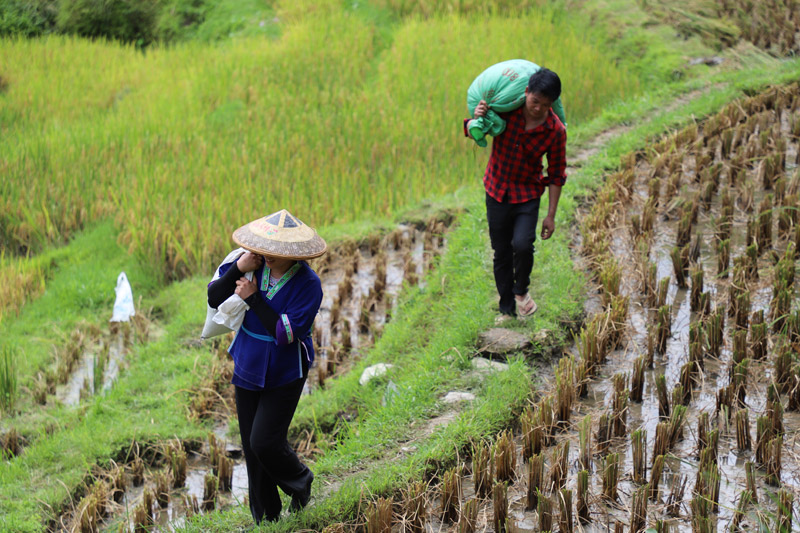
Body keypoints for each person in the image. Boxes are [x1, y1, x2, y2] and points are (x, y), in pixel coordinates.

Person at [207, 209, 326, 524]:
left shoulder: (308, 285)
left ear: (293, 253)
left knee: (265, 440)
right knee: (250, 446)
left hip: (285, 368)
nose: (269, 256)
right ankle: (267, 518)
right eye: (266, 250)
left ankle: (301, 482)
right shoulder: (251, 265)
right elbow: (213, 297)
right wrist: (237, 269)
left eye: (277, 252)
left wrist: (255, 298)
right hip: (248, 359)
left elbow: (285, 335)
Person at [464, 67, 567, 320]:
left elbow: (556, 174)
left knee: (522, 245)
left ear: (552, 104)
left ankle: (521, 291)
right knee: (501, 252)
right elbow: (471, 128)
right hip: (496, 189)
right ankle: (506, 309)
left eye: (545, 105)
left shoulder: (555, 131)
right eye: (534, 101)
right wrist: (477, 117)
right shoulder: (505, 110)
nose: (538, 108)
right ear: (526, 93)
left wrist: (551, 215)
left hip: (528, 194)